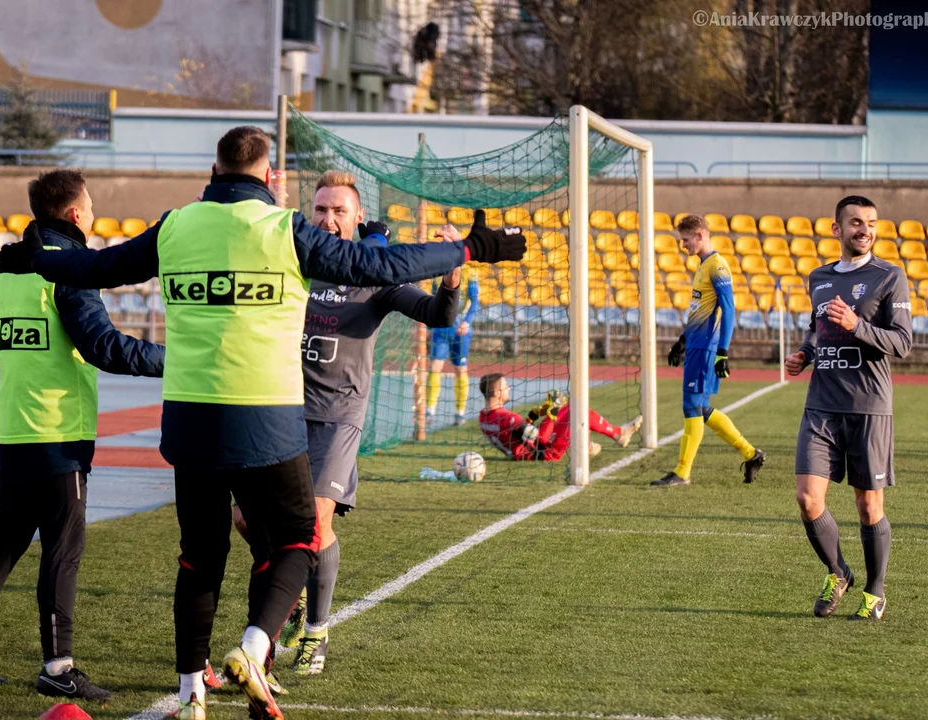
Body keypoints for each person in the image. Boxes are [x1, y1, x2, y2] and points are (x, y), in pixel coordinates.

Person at [0, 126, 525, 720]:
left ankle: (192, 687)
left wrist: (36, 255)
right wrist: (472, 248)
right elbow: (386, 262)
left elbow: (96, 269)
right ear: (272, 179)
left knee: (199, 555)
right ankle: (253, 646)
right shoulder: (284, 230)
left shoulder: (176, 226)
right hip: (268, 421)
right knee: (298, 539)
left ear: (213, 172)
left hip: (192, 422)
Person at [0, 169, 165, 701]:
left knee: (1, 548)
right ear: (76, 215)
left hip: (14, 435)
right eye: (91, 205)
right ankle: (58, 668)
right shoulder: (68, 274)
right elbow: (106, 348)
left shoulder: (7, 274)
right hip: (60, 435)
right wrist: (180, 363)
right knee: (62, 550)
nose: (93, 211)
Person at [232, 169, 461, 678]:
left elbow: (439, 316)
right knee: (247, 520)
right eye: (320, 210)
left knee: (313, 525)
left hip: (337, 417)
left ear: (358, 218)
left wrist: (451, 277)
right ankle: (288, 598)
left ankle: (316, 632)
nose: (328, 219)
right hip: (280, 410)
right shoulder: (293, 262)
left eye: (339, 211)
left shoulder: (374, 273)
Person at [784, 195, 911, 621]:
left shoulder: (890, 277)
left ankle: (875, 590)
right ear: (837, 229)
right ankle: (838, 571)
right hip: (821, 404)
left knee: (868, 506)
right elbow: (816, 328)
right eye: (856, 222)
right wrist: (805, 352)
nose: (865, 230)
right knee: (807, 498)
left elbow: (903, 343)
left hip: (868, 406)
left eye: (872, 223)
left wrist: (857, 325)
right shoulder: (818, 277)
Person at [654, 214, 765, 487]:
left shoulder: (718, 265)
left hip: (706, 348)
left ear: (700, 235)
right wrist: (682, 340)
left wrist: (722, 352)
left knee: (691, 406)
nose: (683, 245)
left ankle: (682, 472)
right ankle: (751, 454)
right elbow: (700, 309)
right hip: (695, 345)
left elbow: (728, 309)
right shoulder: (703, 265)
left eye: (686, 240)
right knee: (701, 408)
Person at [477, 373, 641, 461]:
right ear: (497, 393)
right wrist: (552, 413)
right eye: (506, 387)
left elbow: (516, 434)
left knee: (568, 409)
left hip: (523, 452)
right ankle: (616, 435)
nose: (509, 389)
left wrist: (534, 415)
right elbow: (541, 439)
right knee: (576, 409)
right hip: (544, 453)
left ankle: (604, 438)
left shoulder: (483, 417)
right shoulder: (509, 417)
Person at [426, 261, 479, 425]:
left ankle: (460, 412)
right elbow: (433, 299)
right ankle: (429, 411)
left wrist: (467, 322)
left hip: (461, 332)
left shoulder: (470, 273)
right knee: (435, 367)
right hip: (441, 330)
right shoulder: (438, 271)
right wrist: (429, 325)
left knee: (460, 370)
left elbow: (474, 301)